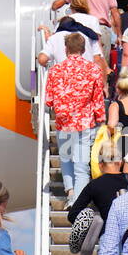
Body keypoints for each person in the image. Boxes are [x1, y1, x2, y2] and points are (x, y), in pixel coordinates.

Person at [44, 32, 105, 206]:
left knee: (66, 159)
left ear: (66, 49)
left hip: (63, 122)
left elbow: (49, 100)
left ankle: (70, 193)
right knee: (81, 166)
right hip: (84, 122)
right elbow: (98, 99)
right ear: (84, 49)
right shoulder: (93, 69)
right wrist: (100, 119)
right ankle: (77, 202)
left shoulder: (55, 70)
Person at [68, 142, 128, 224]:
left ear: (100, 165)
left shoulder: (94, 185)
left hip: (107, 232)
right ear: (120, 162)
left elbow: (72, 215)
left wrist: (96, 224)